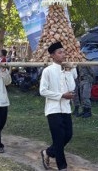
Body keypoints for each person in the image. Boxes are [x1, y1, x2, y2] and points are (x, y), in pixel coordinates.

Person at [39, 42, 77, 171]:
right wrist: (61, 95)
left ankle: (48, 152)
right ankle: (62, 167)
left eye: (63, 52)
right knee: (59, 138)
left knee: (68, 135)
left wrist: (70, 70)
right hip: (53, 109)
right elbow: (43, 91)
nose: (63, 55)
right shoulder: (47, 71)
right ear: (52, 55)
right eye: (59, 52)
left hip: (66, 109)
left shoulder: (67, 70)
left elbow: (72, 88)